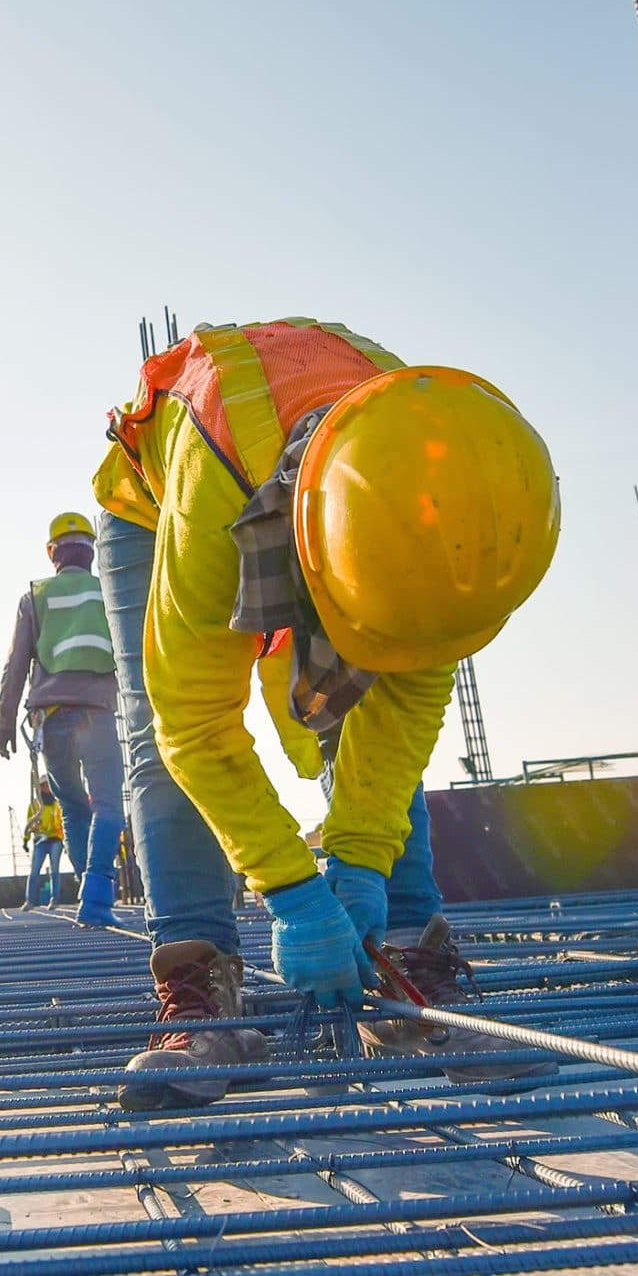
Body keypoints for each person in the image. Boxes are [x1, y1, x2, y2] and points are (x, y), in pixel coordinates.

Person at [90, 318, 559, 1108]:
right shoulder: (216, 495)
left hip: (335, 486)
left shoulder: (451, 494)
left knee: (370, 690)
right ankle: (203, 992)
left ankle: (405, 962)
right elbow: (194, 724)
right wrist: (294, 892)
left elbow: (405, 709)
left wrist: (362, 863)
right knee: (152, 727)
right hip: (168, 498)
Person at [0, 512, 124, 925]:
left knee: (73, 806)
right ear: (91, 551)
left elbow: (16, 665)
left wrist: (4, 720)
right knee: (107, 804)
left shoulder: (36, 596)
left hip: (52, 719)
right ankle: (98, 897)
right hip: (99, 714)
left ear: (52, 553)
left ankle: (89, 889)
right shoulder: (109, 594)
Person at [22, 779, 66, 910]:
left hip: (55, 840)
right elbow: (29, 823)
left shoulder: (58, 804)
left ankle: (54, 900)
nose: (46, 788)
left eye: (48, 785)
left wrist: (64, 840)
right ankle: (29, 901)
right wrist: (25, 840)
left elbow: (63, 823)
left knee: (55, 871)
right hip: (40, 841)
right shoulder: (34, 805)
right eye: (43, 786)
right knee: (34, 871)